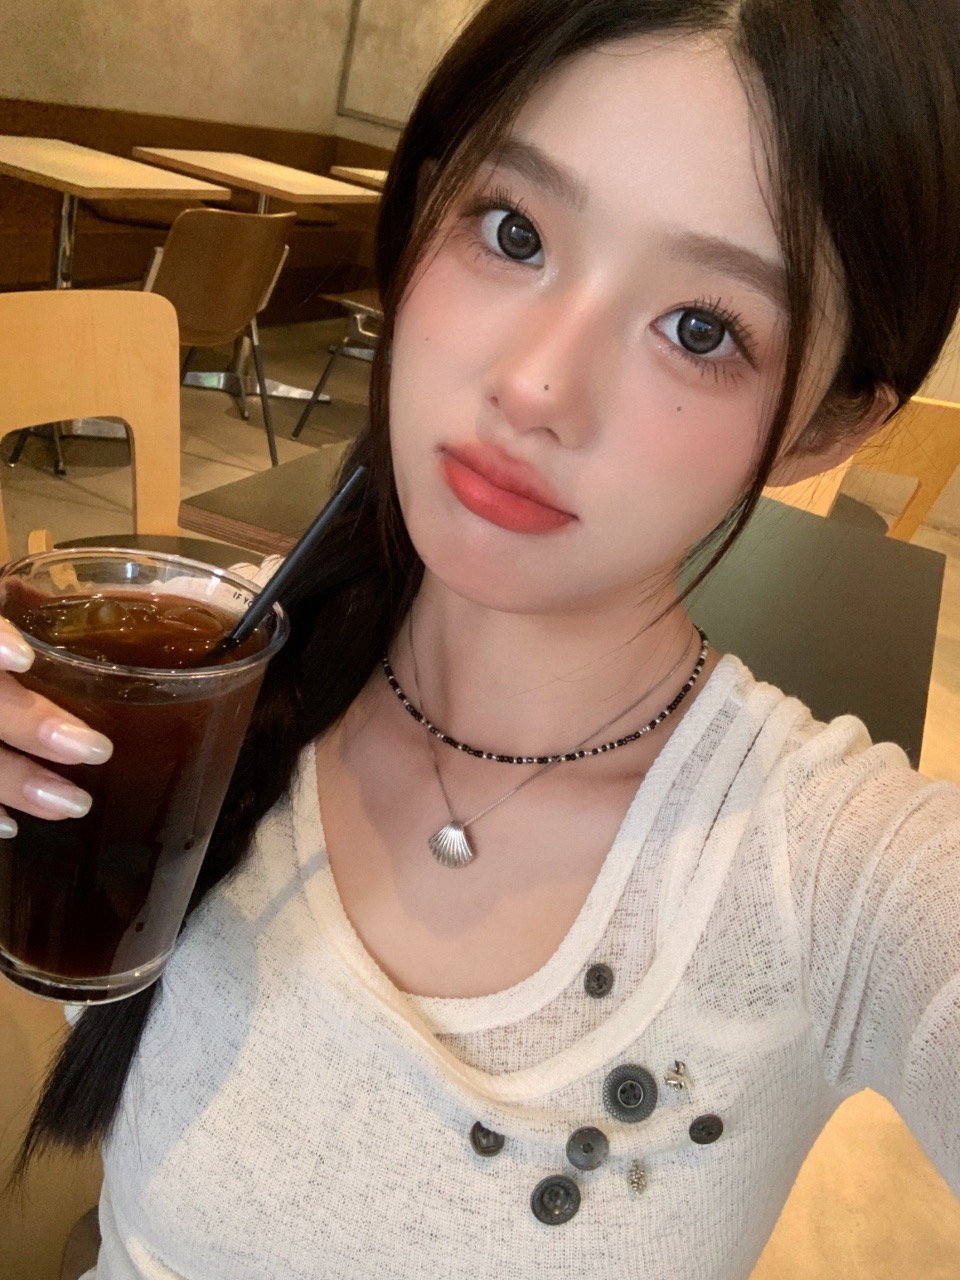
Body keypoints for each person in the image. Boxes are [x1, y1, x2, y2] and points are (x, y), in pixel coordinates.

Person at [2, 0, 960, 1275]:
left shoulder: (827, 874)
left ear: (826, 428)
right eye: (514, 231)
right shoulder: (206, 673)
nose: (536, 385)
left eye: (701, 327)